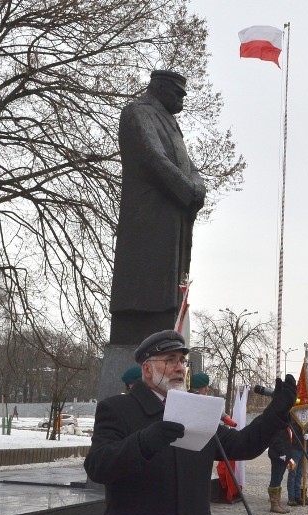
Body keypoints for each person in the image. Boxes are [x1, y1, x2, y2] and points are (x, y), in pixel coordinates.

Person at [83, 330, 296, 515]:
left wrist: (275, 413)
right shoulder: (117, 410)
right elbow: (98, 465)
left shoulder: (195, 409)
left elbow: (241, 445)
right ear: (147, 368)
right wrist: (144, 441)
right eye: (170, 360)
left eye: (182, 361)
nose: (179, 368)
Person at [109, 71, 206, 345]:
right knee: (147, 288)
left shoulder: (172, 124)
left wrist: (198, 186)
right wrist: (188, 193)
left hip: (173, 222)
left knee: (169, 292)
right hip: (148, 219)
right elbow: (153, 159)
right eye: (178, 93)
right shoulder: (138, 113)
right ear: (160, 87)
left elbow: (189, 166)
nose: (182, 99)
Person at [267, 427, 294, 513]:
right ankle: (274, 504)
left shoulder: (285, 424)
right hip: (278, 455)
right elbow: (275, 439)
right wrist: (281, 452)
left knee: (279, 478)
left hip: (284, 455)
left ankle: (277, 503)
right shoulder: (277, 424)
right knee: (276, 478)